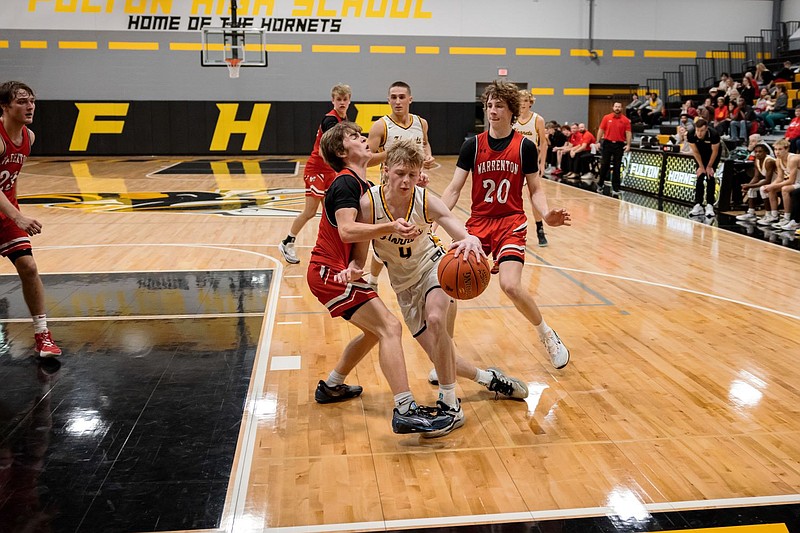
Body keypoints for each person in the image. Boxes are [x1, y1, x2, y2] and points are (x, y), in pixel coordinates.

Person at [359, 140, 530, 430]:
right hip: (403, 286)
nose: (406, 181)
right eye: (400, 173)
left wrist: (471, 240)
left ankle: (450, 405)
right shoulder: (369, 204)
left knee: (437, 321)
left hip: (432, 267)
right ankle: (491, 379)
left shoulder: (425, 200)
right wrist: (355, 270)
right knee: (441, 355)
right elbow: (361, 251)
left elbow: (458, 228)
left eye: (412, 175)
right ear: (385, 171)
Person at [308, 121, 456, 437]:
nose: (364, 139)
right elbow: (347, 230)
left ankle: (332, 385)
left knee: (375, 332)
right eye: (354, 137)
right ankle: (405, 409)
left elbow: (390, 161)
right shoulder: (347, 184)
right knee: (390, 327)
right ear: (340, 151)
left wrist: (413, 173)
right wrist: (391, 226)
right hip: (330, 271)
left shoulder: (362, 185)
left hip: (339, 270)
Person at [441, 80, 572, 369]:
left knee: (510, 285)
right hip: (478, 223)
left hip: (511, 221)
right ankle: (446, 355)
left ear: (511, 110)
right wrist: (432, 216)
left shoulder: (524, 146)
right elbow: (453, 188)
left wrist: (547, 214)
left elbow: (535, 189)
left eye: (499, 105)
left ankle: (547, 334)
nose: (492, 110)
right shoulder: (472, 146)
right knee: (448, 286)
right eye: (489, 105)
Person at [0, 81, 61, 358]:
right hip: (9, 212)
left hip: (6, 212)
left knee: (29, 267)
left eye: (32, 101)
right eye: (22, 101)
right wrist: (18, 216)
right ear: (5, 106)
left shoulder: (29, 137)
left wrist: (15, 211)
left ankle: (42, 335)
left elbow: (11, 180)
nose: (30, 106)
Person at [365, 81, 435, 289]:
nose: (397, 101)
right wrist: (394, 152)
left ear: (410, 99)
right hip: (391, 191)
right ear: (388, 100)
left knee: (420, 235)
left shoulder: (421, 123)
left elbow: (424, 144)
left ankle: (421, 276)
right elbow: (366, 159)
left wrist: (427, 157)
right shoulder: (381, 126)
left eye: (401, 97)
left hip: (417, 188)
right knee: (386, 240)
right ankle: (373, 280)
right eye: (393, 97)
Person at [278, 84, 352, 264]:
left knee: (332, 212)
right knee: (310, 211)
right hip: (317, 170)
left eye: (345, 99)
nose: (342, 103)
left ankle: (330, 248)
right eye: (338, 99)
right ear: (333, 100)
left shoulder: (344, 120)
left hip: (329, 171)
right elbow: (324, 151)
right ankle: (287, 242)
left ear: (349, 100)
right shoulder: (330, 121)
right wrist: (343, 168)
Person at [512, 89, 548, 246]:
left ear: (530, 102)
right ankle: (513, 229)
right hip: (514, 160)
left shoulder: (538, 119)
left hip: (531, 161)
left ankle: (540, 229)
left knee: (533, 197)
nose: (522, 104)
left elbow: (543, 143)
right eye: (520, 101)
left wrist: (542, 163)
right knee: (511, 197)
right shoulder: (512, 119)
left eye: (525, 101)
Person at [761, 139, 800, 232]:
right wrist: (770, 186)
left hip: (797, 182)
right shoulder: (778, 160)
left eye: (780, 149)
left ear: (786, 149)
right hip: (795, 182)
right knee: (770, 189)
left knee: (785, 189)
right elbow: (779, 178)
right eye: (775, 149)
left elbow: (791, 180)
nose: (777, 152)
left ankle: (787, 217)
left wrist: (772, 186)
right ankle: (774, 215)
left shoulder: (793, 159)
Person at [596, 101, 632, 197]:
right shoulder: (606, 118)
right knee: (604, 164)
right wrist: (597, 142)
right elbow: (601, 129)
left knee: (617, 166)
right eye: (616, 106)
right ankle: (600, 184)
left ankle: (616, 188)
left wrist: (628, 145)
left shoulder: (625, 120)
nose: (617, 108)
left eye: (619, 107)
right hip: (607, 143)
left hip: (619, 145)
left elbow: (628, 133)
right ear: (613, 107)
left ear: (621, 108)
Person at [687, 118, 721, 218]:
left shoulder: (714, 134)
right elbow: (695, 152)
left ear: (706, 129)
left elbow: (715, 152)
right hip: (700, 154)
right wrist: (701, 166)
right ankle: (698, 204)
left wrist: (709, 166)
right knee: (700, 176)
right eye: (697, 130)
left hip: (712, 154)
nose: (699, 133)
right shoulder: (691, 134)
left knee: (710, 176)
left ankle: (710, 205)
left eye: (701, 131)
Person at [736, 142, 777, 222]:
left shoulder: (769, 161)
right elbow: (756, 177)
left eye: (760, 152)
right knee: (752, 189)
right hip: (770, 181)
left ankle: (769, 214)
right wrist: (748, 186)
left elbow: (767, 181)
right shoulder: (756, 160)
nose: (757, 154)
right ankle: (751, 213)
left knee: (763, 189)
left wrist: (749, 186)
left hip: (777, 181)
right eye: (756, 152)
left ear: (766, 152)